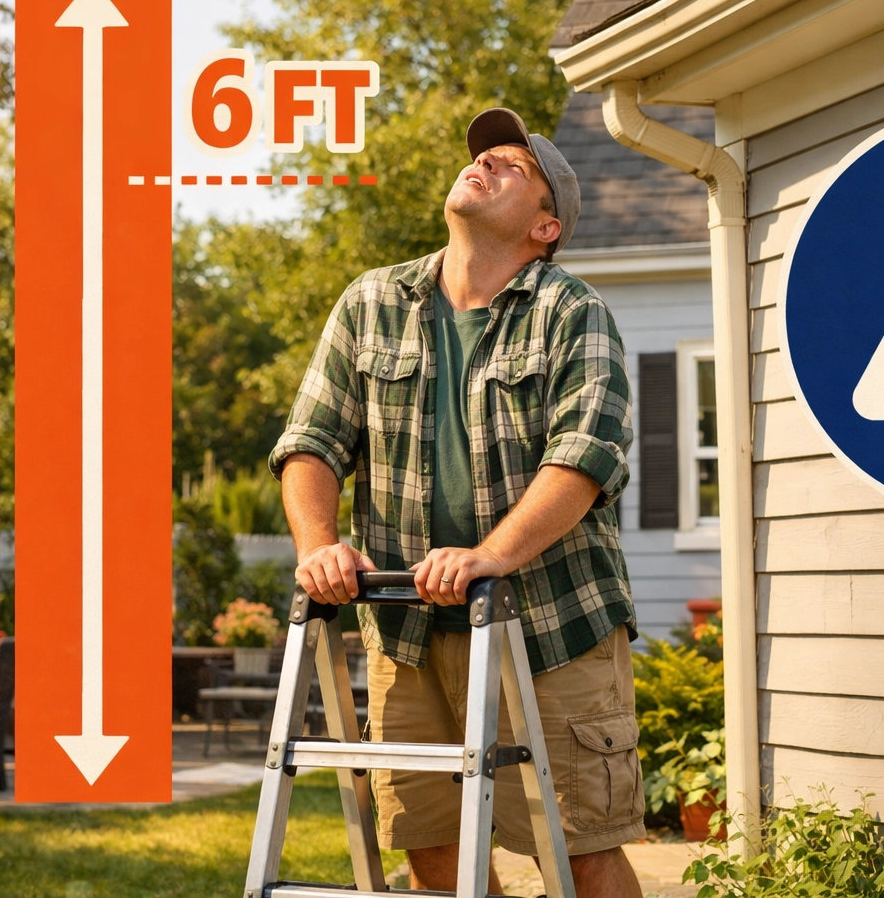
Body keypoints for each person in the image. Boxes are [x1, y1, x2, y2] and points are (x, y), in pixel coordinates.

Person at [271, 106, 644, 897]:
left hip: (550, 627)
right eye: (484, 156)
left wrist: (490, 557)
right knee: (432, 849)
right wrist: (317, 544)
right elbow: (311, 441)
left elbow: (585, 458)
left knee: (579, 852)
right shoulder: (371, 302)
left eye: (515, 165)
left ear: (545, 226)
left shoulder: (571, 313)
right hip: (406, 629)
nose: (487, 163)